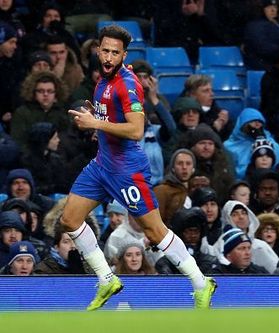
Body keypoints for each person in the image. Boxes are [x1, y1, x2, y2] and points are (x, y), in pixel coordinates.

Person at [61, 25, 216, 311]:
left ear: (124, 54)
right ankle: (107, 279)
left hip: (126, 170)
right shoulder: (102, 82)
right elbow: (112, 121)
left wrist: (96, 123)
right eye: (104, 50)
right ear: (98, 50)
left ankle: (200, 281)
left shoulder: (127, 83)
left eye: (114, 52)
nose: (108, 57)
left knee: (156, 232)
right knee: (69, 219)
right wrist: (96, 119)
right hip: (102, 164)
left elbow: (135, 130)